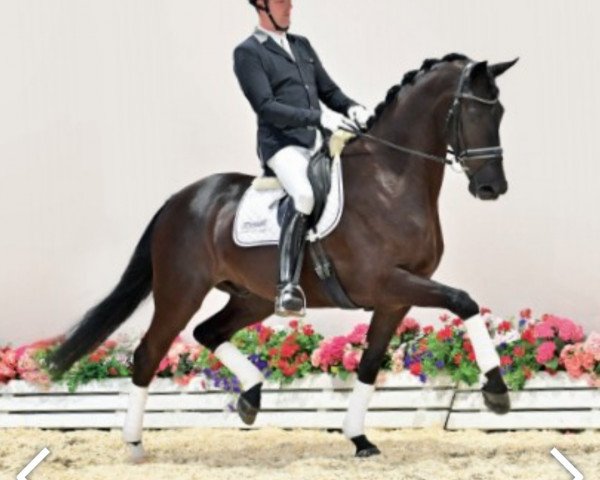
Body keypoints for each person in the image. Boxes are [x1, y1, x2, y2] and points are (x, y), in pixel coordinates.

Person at [234, 0, 372, 316]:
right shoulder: (249, 53)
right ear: (261, 6)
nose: (289, 7)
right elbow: (266, 107)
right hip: (281, 146)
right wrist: (319, 118)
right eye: (281, 2)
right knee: (305, 194)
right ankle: (287, 287)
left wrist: (353, 108)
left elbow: (330, 91)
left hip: (315, 143)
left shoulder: (301, 45)